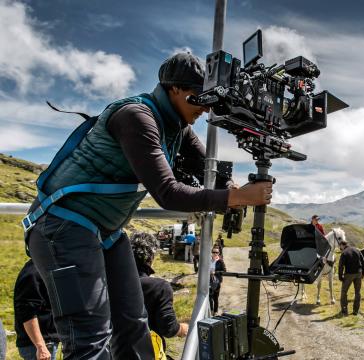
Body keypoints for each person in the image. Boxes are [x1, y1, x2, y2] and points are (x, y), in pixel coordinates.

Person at [24, 52, 273, 358]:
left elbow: (206, 165)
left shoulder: (177, 126)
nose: (206, 108)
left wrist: (231, 188)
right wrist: (238, 197)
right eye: (199, 98)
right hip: (63, 227)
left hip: (106, 232)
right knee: (90, 337)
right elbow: (168, 193)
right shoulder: (137, 116)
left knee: (133, 323)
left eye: (210, 101)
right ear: (175, 90)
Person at [131, 232, 188, 359]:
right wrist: (182, 329)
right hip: (149, 353)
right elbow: (168, 327)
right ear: (151, 257)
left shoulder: (113, 284)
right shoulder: (160, 287)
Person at [13, 260, 59, 360]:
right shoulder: (33, 272)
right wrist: (40, 346)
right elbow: (27, 311)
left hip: (47, 342)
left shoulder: (45, 267)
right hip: (38, 346)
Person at [338, 240, 364, 316]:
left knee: (344, 292)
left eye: (340, 246)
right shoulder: (357, 250)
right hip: (358, 273)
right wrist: (363, 273)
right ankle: (355, 311)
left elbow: (341, 266)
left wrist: (340, 277)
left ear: (342, 245)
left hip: (349, 274)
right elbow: (363, 261)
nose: (339, 248)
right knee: (357, 292)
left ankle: (344, 310)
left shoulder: (344, 253)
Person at [209, 247, 227, 315]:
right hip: (209, 280)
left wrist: (215, 272)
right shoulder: (209, 260)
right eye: (214, 252)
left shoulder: (220, 261)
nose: (215, 254)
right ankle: (211, 310)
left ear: (219, 253)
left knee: (215, 297)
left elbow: (224, 271)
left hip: (217, 281)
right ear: (212, 253)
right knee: (209, 297)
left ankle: (215, 311)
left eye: (216, 252)